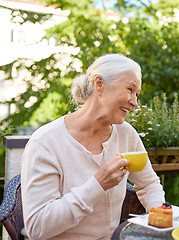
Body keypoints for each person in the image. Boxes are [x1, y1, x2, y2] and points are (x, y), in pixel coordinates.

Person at [21, 54, 165, 239]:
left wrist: (160, 215)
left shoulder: (126, 134)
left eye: (137, 94)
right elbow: (37, 227)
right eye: (130, 89)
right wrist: (97, 184)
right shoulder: (46, 142)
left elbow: (149, 184)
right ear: (99, 84)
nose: (135, 102)